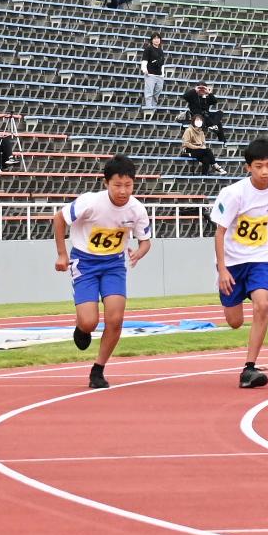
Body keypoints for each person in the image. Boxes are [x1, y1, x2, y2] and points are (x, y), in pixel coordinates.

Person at [52, 155, 154, 390]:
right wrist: (61, 254)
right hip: (85, 263)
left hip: (114, 265)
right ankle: (81, 327)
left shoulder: (137, 209)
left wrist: (139, 252)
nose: (123, 191)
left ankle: (98, 369)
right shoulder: (90, 202)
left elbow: (146, 241)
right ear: (106, 183)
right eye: (117, 185)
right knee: (89, 322)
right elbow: (59, 218)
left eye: (128, 185)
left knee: (115, 318)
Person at [211, 137, 268, 389]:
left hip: (260, 259)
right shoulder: (234, 194)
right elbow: (220, 232)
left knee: (262, 306)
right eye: (258, 166)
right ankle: (237, 294)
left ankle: (249, 368)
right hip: (233, 262)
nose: (265, 171)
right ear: (248, 167)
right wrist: (222, 269)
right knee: (235, 322)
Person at [138, 35, 167, 118]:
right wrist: (144, 69)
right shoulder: (148, 49)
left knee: (157, 92)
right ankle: (148, 109)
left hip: (159, 75)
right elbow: (144, 60)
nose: (157, 40)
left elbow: (162, 63)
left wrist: (162, 74)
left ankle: (152, 110)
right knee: (149, 92)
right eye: (155, 38)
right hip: (150, 74)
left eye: (158, 38)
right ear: (152, 40)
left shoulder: (161, 50)